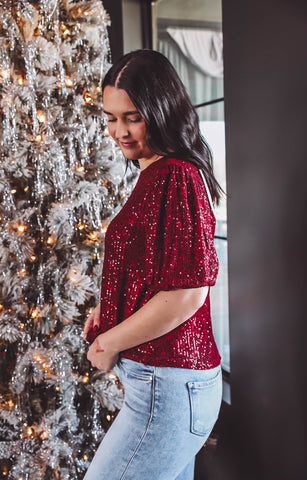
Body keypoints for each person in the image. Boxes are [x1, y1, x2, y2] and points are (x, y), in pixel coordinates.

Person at [83, 49, 224, 480]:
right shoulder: (157, 172)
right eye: (111, 117)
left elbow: (187, 293)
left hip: (167, 388)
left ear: (162, 110)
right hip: (168, 384)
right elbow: (157, 273)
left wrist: (109, 342)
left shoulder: (175, 176)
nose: (118, 132)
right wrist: (110, 309)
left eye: (132, 117)